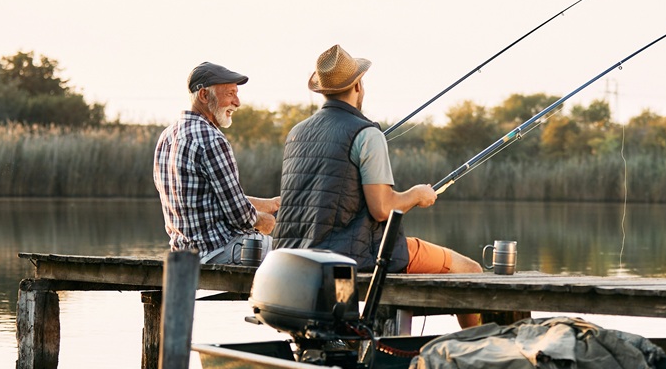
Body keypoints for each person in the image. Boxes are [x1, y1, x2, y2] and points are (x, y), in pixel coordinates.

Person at [273, 44, 482, 327]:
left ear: (323, 91)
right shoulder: (367, 134)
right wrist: (417, 194)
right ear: (358, 85)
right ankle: (474, 352)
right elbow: (382, 208)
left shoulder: (296, 133)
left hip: (295, 257)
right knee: (470, 270)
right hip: (352, 258)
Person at [153, 61, 281, 264]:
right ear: (204, 95)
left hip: (183, 256)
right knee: (297, 256)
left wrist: (270, 204)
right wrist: (263, 220)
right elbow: (241, 217)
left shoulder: (167, 136)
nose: (237, 102)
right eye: (230, 93)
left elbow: (210, 197)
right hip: (220, 251)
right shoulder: (212, 139)